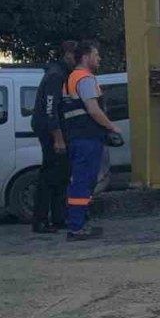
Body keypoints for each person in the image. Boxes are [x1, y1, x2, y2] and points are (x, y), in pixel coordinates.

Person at [60, 41, 121, 240]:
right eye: (96, 55)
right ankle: (77, 227)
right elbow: (93, 109)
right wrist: (111, 126)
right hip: (87, 138)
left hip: (78, 137)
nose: (99, 58)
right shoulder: (85, 79)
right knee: (83, 183)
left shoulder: (70, 78)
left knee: (81, 182)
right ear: (85, 57)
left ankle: (79, 224)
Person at [30, 40, 77, 234]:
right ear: (67, 54)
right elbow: (50, 109)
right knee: (50, 175)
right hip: (50, 131)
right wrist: (57, 137)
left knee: (62, 175)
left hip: (56, 129)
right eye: (76, 56)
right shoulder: (56, 75)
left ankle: (59, 217)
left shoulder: (62, 73)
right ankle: (41, 220)